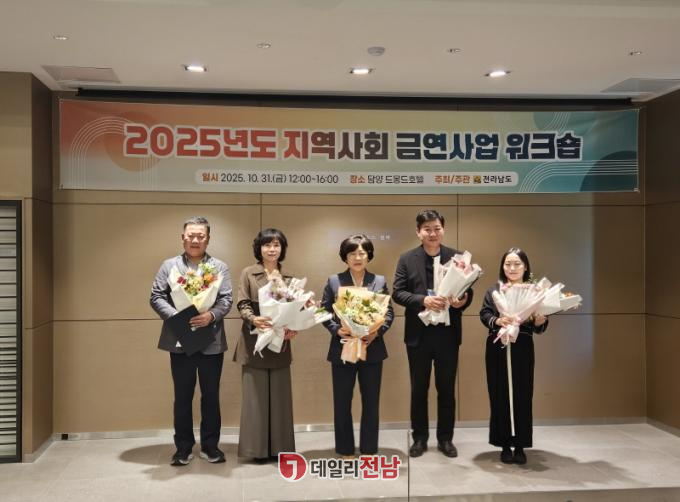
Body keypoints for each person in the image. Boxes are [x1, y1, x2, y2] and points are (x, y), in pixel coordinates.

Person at [150, 216, 232, 466]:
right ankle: (183, 448)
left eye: (200, 236)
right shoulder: (169, 266)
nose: (195, 240)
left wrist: (211, 315)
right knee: (182, 396)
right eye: (191, 235)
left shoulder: (219, 267)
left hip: (211, 339)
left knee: (211, 396)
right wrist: (178, 316)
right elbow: (156, 296)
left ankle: (210, 446)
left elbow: (226, 299)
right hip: (180, 339)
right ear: (183, 237)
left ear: (208, 239)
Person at [392, 209, 473, 458]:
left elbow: (467, 290)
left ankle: (445, 439)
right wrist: (423, 300)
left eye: (437, 228)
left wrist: (462, 301)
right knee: (419, 389)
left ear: (443, 230)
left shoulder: (457, 258)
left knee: (446, 389)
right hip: (419, 335)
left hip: (447, 334)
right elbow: (398, 292)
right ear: (418, 232)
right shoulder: (407, 259)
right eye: (427, 229)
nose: (432, 233)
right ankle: (419, 438)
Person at [321, 234, 394, 458]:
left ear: (369, 255)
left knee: (371, 402)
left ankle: (369, 448)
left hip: (372, 349)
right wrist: (337, 329)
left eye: (362, 253)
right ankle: (344, 448)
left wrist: (375, 333)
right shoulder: (334, 281)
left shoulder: (378, 281)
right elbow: (323, 311)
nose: (357, 257)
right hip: (343, 348)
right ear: (345, 257)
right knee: (342, 402)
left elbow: (388, 312)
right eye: (352, 253)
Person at [479, 248, 548, 465]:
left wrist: (540, 320)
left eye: (517, 264)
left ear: (525, 267)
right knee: (499, 394)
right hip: (498, 346)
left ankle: (520, 445)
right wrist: (498, 321)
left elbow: (540, 324)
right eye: (508, 264)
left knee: (522, 395)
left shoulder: (535, 291)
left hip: (522, 347)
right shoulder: (494, 290)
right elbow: (485, 314)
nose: (512, 268)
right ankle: (504, 445)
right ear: (502, 267)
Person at [234, 228, 297, 462]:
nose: (272, 249)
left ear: (282, 249)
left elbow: (295, 308)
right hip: (255, 341)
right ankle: (256, 450)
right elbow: (242, 303)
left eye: (276, 245)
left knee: (281, 398)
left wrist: (293, 326)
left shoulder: (289, 277)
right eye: (267, 245)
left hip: (280, 343)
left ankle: (280, 449)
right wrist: (253, 319)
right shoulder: (248, 273)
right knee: (255, 398)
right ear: (259, 249)